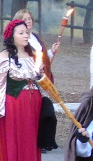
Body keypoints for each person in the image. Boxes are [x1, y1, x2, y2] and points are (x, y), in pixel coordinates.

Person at [0, 19, 43, 161]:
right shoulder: (4, 57)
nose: (25, 35)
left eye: (27, 32)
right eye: (21, 32)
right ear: (11, 36)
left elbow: (41, 79)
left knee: (30, 144)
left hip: (33, 105)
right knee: (15, 143)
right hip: (14, 106)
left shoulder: (34, 55)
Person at [14, 8, 59, 152]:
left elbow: (43, 59)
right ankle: (33, 140)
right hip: (29, 80)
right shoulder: (20, 41)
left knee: (44, 110)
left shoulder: (35, 38)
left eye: (30, 19)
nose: (28, 22)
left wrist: (51, 51)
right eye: (25, 19)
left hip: (42, 78)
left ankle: (43, 140)